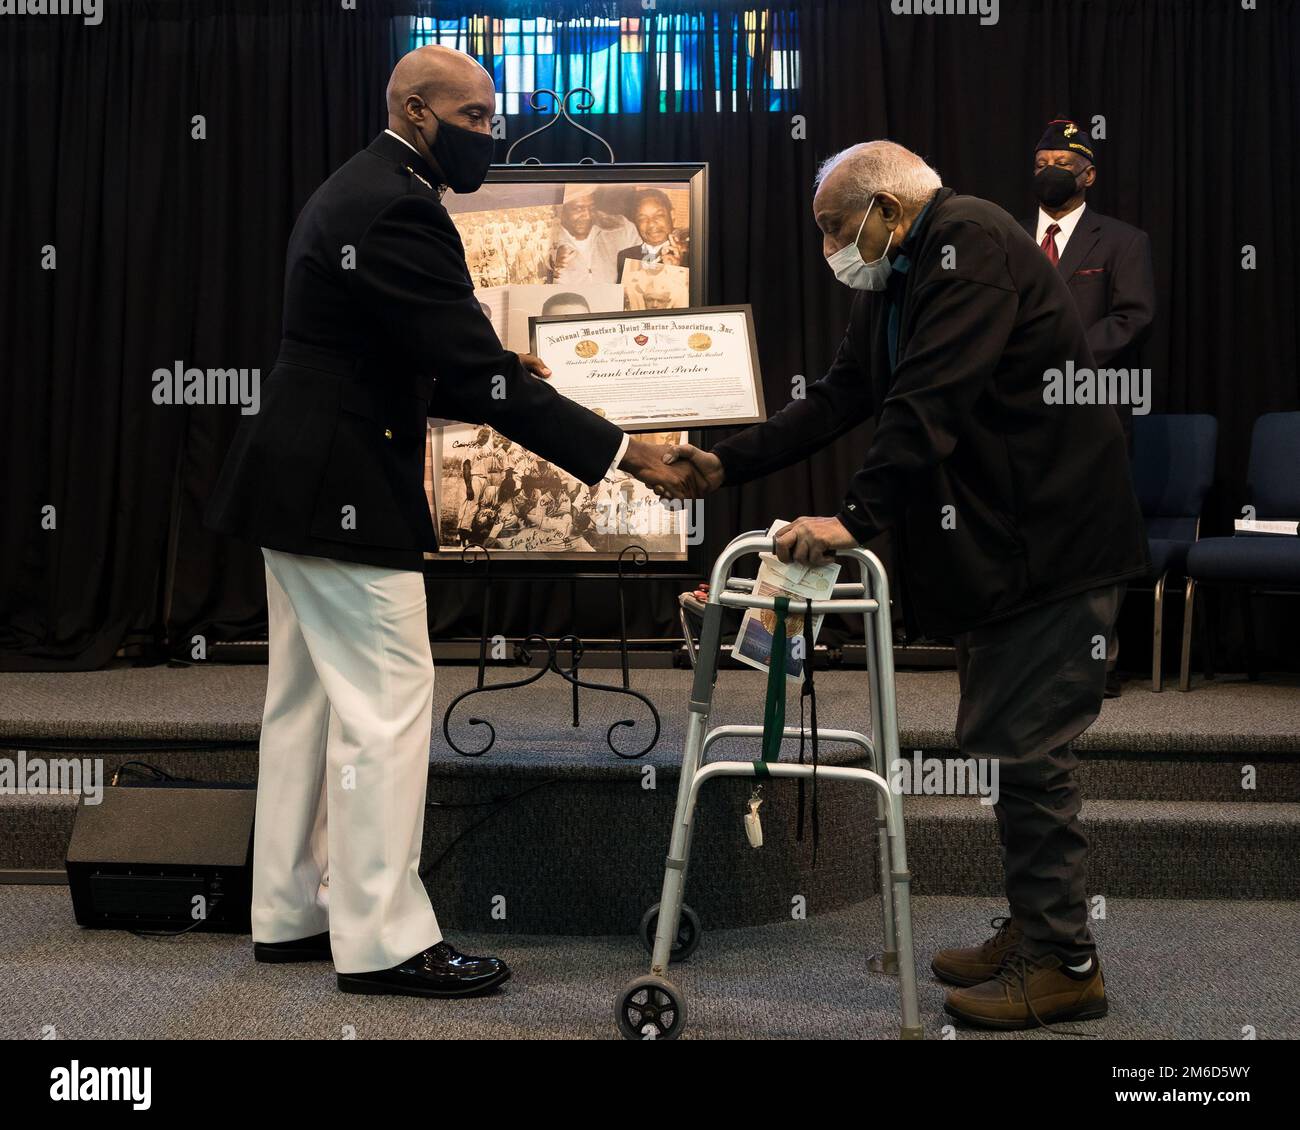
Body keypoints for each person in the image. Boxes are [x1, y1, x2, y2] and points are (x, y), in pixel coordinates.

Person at [204, 44, 694, 1001]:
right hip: (337, 487)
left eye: (493, 117)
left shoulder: (368, 186)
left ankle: (292, 910)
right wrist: (625, 451)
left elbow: (402, 348)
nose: (492, 134)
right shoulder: (398, 204)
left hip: (295, 481)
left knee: (306, 703)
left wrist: (483, 364)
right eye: (473, 118)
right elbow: (472, 373)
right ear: (416, 110)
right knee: (388, 703)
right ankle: (383, 939)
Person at [664, 140, 1150, 1030]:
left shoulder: (970, 241)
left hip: (1050, 546)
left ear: (887, 211)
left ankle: (1065, 963)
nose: (828, 250)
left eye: (834, 228)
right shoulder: (899, 273)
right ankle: (1038, 931)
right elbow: (843, 397)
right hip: (1004, 552)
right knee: (1008, 745)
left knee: (1027, 754)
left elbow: (932, 398)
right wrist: (724, 465)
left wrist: (852, 518)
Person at [1023, 118, 1156, 697]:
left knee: (1093, 535)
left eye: (1061, 163)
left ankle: (1095, 662)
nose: (1049, 171)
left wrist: (1063, 359)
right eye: (1040, 163)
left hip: (1089, 410)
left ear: (1089, 174)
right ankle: (1029, 659)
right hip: (1018, 415)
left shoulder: (1123, 240)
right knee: (1028, 535)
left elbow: (1132, 319)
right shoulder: (1008, 237)